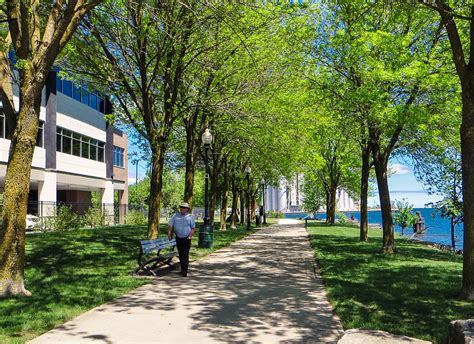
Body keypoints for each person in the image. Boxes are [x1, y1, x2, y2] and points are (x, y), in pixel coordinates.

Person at [168, 202, 196, 277]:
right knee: (181, 254)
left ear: (187, 209)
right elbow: (170, 226)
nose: (183, 209)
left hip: (187, 238)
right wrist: (169, 234)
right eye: (181, 207)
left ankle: (184, 271)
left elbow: (193, 228)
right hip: (178, 238)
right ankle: (182, 270)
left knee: (185, 254)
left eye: (184, 208)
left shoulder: (190, 217)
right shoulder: (175, 216)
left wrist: (190, 236)